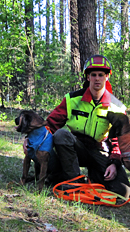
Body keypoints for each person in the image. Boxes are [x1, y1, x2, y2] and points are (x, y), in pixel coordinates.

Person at [47, 55, 130, 197]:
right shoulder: (72, 99)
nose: (97, 79)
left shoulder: (117, 107)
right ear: (87, 77)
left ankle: (94, 175)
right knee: (61, 135)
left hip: (100, 151)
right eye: (93, 75)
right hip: (75, 147)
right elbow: (51, 124)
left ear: (107, 77)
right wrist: (31, 140)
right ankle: (74, 180)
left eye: (101, 75)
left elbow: (118, 141)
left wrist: (114, 163)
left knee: (123, 192)